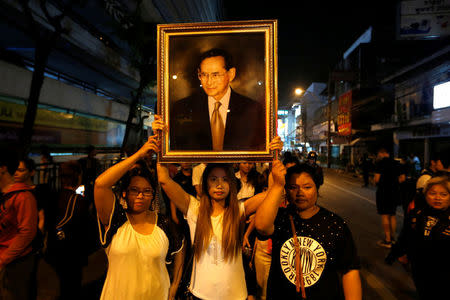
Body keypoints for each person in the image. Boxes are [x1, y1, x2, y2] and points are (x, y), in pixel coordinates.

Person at [255, 161, 362, 300]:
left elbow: (350, 270)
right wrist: (277, 185)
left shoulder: (335, 224)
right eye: (293, 187)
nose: (300, 193)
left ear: (317, 188)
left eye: (307, 187)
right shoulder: (280, 218)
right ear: (286, 190)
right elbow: (261, 226)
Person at [94, 136, 184, 300]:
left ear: (153, 196)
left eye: (147, 191)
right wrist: (139, 154)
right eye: (134, 190)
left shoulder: (163, 223)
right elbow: (100, 184)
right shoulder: (116, 220)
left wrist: (175, 285)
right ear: (124, 193)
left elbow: (179, 249)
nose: (140, 196)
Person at [170, 48, 265, 151]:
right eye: (204, 75)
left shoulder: (251, 109)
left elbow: (258, 147)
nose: (209, 82)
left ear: (231, 74)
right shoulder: (183, 108)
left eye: (215, 75)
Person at [385, 176, 449, 299]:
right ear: (426, 195)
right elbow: (405, 237)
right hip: (420, 269)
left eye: (443, 194)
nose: (437, 198)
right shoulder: (417, 214)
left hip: (445, 272)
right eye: (433, 193)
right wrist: (393, 254)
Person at [44, 161, 92, 300]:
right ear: (78, 176)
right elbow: (85, 229)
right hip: (71, 253)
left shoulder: (54, 196)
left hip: (55, 250)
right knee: (72, 287)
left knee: (64, 285)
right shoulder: (77, 200)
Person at [0, 150, 38, 300]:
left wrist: (3, 259)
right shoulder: (6, 194)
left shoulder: (23, 196)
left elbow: (27, 232)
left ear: (3, 168)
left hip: (17, 262)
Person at [374, 148, 404, 248]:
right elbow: (402, 178)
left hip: (383, 192)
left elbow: (377, 179)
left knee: (385, 216)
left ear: (382, 153)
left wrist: (377, 182)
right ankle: (393, 238)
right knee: (392, 215)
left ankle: (387, 240)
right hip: (394, 192)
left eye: (379, 154)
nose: (378, 156)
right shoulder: (397, 163)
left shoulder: (380, 163)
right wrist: (394, 184)